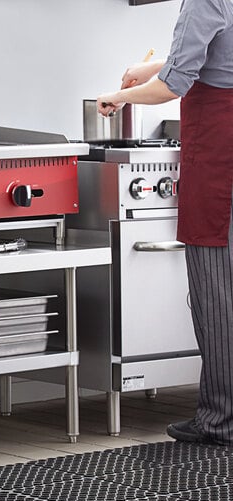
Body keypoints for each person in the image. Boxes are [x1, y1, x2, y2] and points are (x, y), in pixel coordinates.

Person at [97, 0, 233, 445]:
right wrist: (151, 65)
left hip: (221, 160)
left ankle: (221, 419)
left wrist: (119, 96)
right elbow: (220, 51)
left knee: (217, 297)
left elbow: (173, 86)